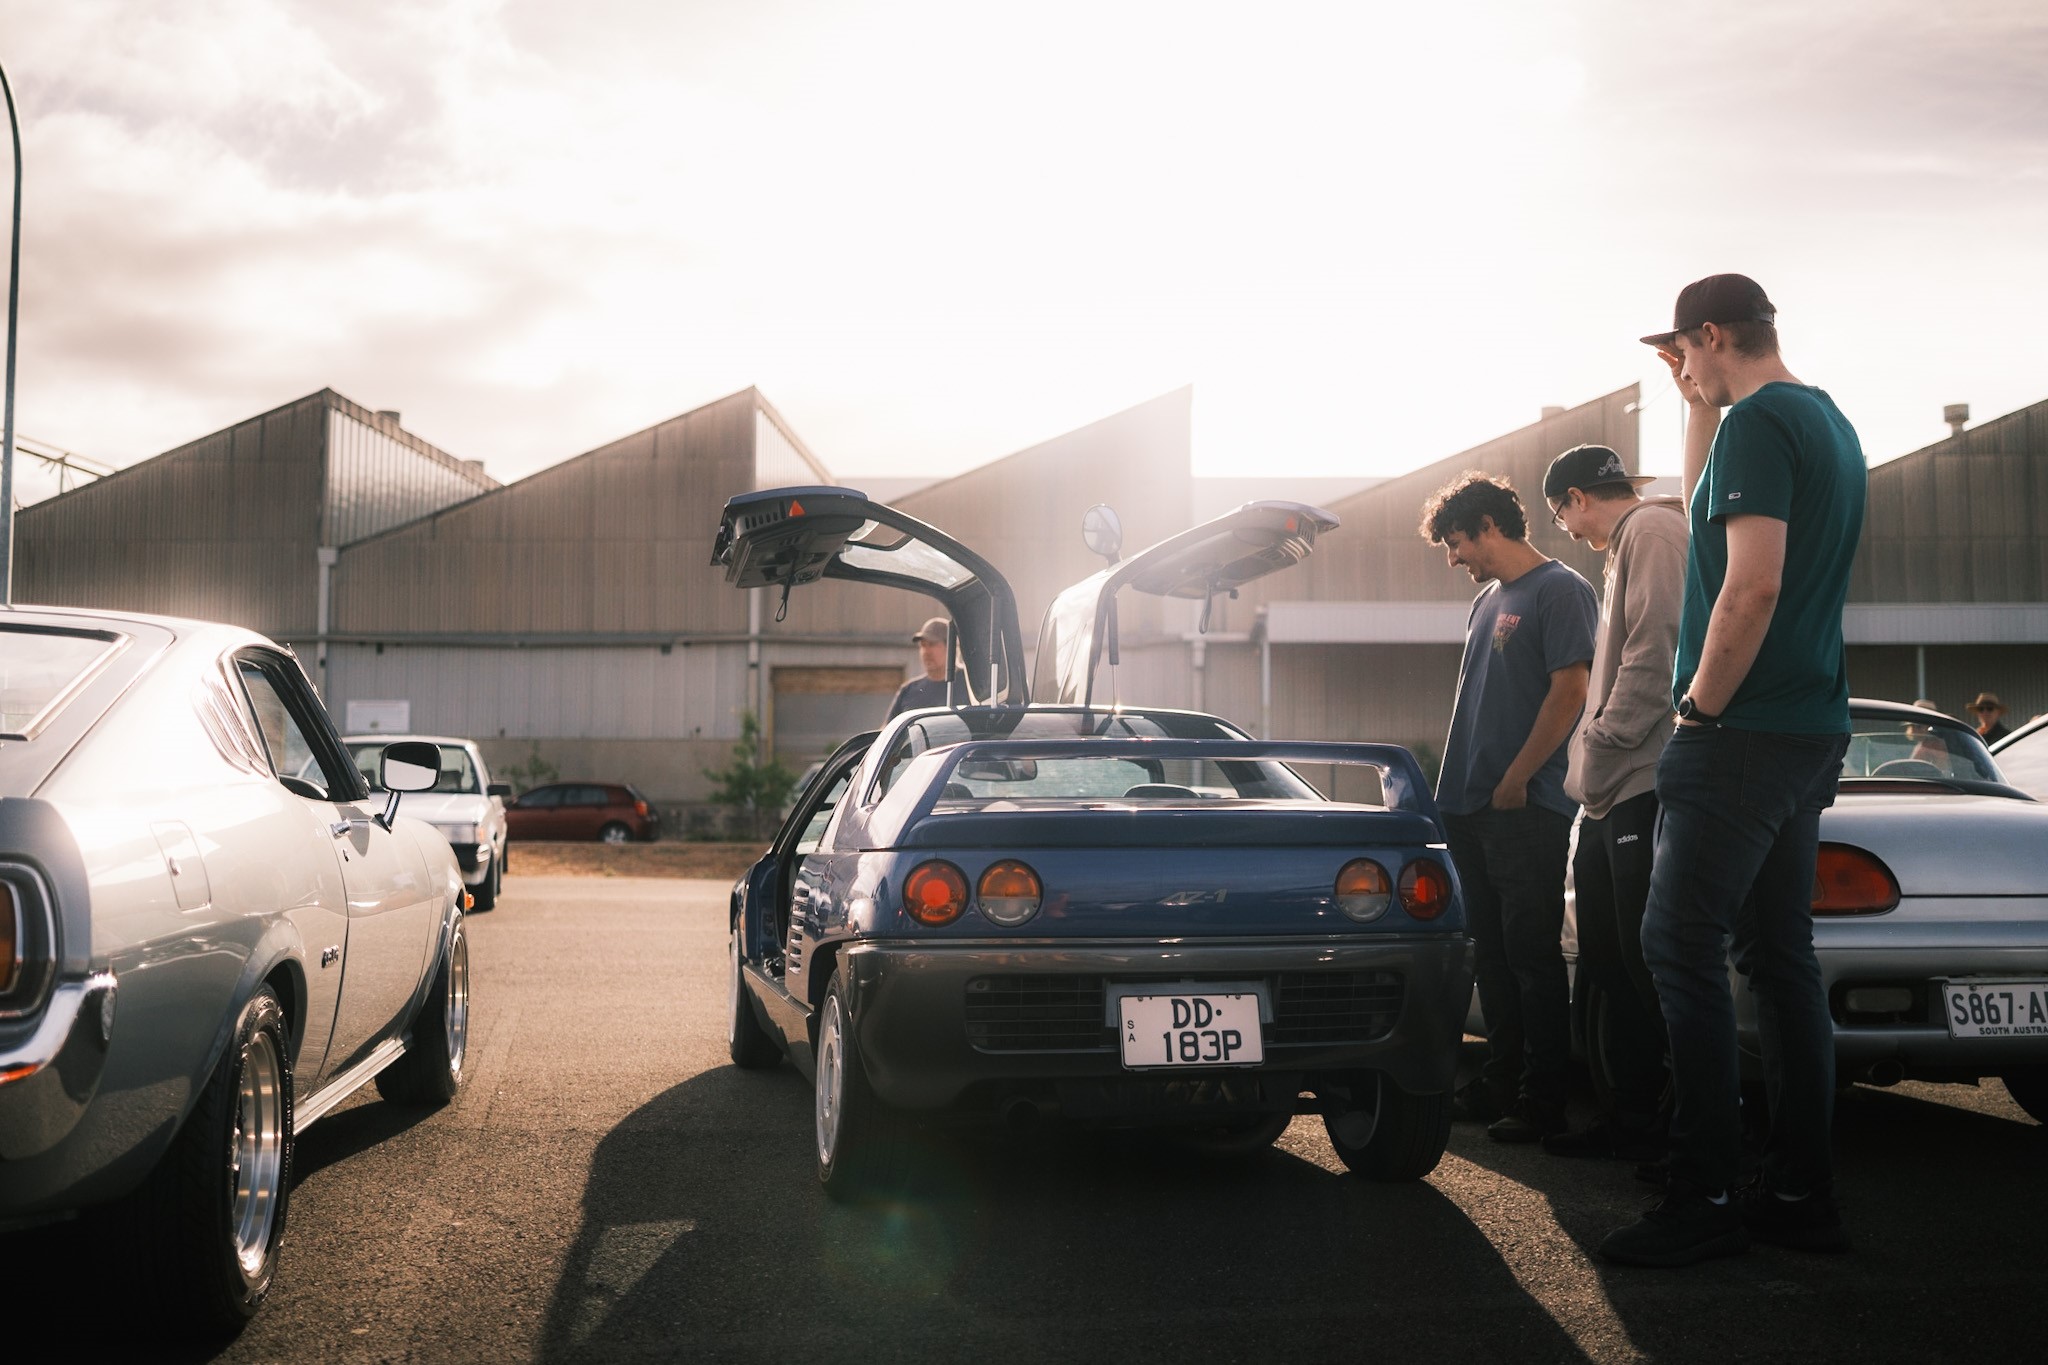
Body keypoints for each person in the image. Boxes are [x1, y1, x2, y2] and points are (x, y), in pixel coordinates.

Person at [1600, 274, 1865, 1268]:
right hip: (1806, 728)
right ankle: (1798, 1192)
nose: (1682, 368)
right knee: (1774, 957)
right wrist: (1690, 405)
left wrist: (1698, 706)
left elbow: (1747, 587)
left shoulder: (1761, 424)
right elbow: (1713, 512)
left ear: (1710, 333)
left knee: (1676, 946)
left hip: (1739, 729)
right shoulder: (1820, 420)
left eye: (1684, 352)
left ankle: (1700, 1193)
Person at [1418, 472, 1597, 1143]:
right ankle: (1501, 1079)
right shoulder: (1489, 599)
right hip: (1467, 806)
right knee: (1488, 955)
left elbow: (1572, 688)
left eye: (1457, 541)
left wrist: (1520, 776)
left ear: (1489, 525)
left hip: (1525, 807)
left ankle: (1541, 1099)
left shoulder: (1562, 590)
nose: (1453, 556)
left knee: (1531, 955)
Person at [1541, 444, 1688, 1163]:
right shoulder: (1626, 544)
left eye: (1559, 513)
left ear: (1575, 496)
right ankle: (1629, 1117)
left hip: (1641, 778)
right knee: (1604, 956)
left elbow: (1657, 647)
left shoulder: (1654, 531)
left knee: (1640, 959)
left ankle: (1671, 1126)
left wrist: (1599, 743)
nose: (1564, 529)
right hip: (1608, 790)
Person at [886, 617, 957, 719]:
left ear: (950, 646)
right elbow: (887, 730)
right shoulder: (908, 690)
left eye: (932, 644)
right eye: (923, 645)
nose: (926, 652)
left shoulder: (971, 688)